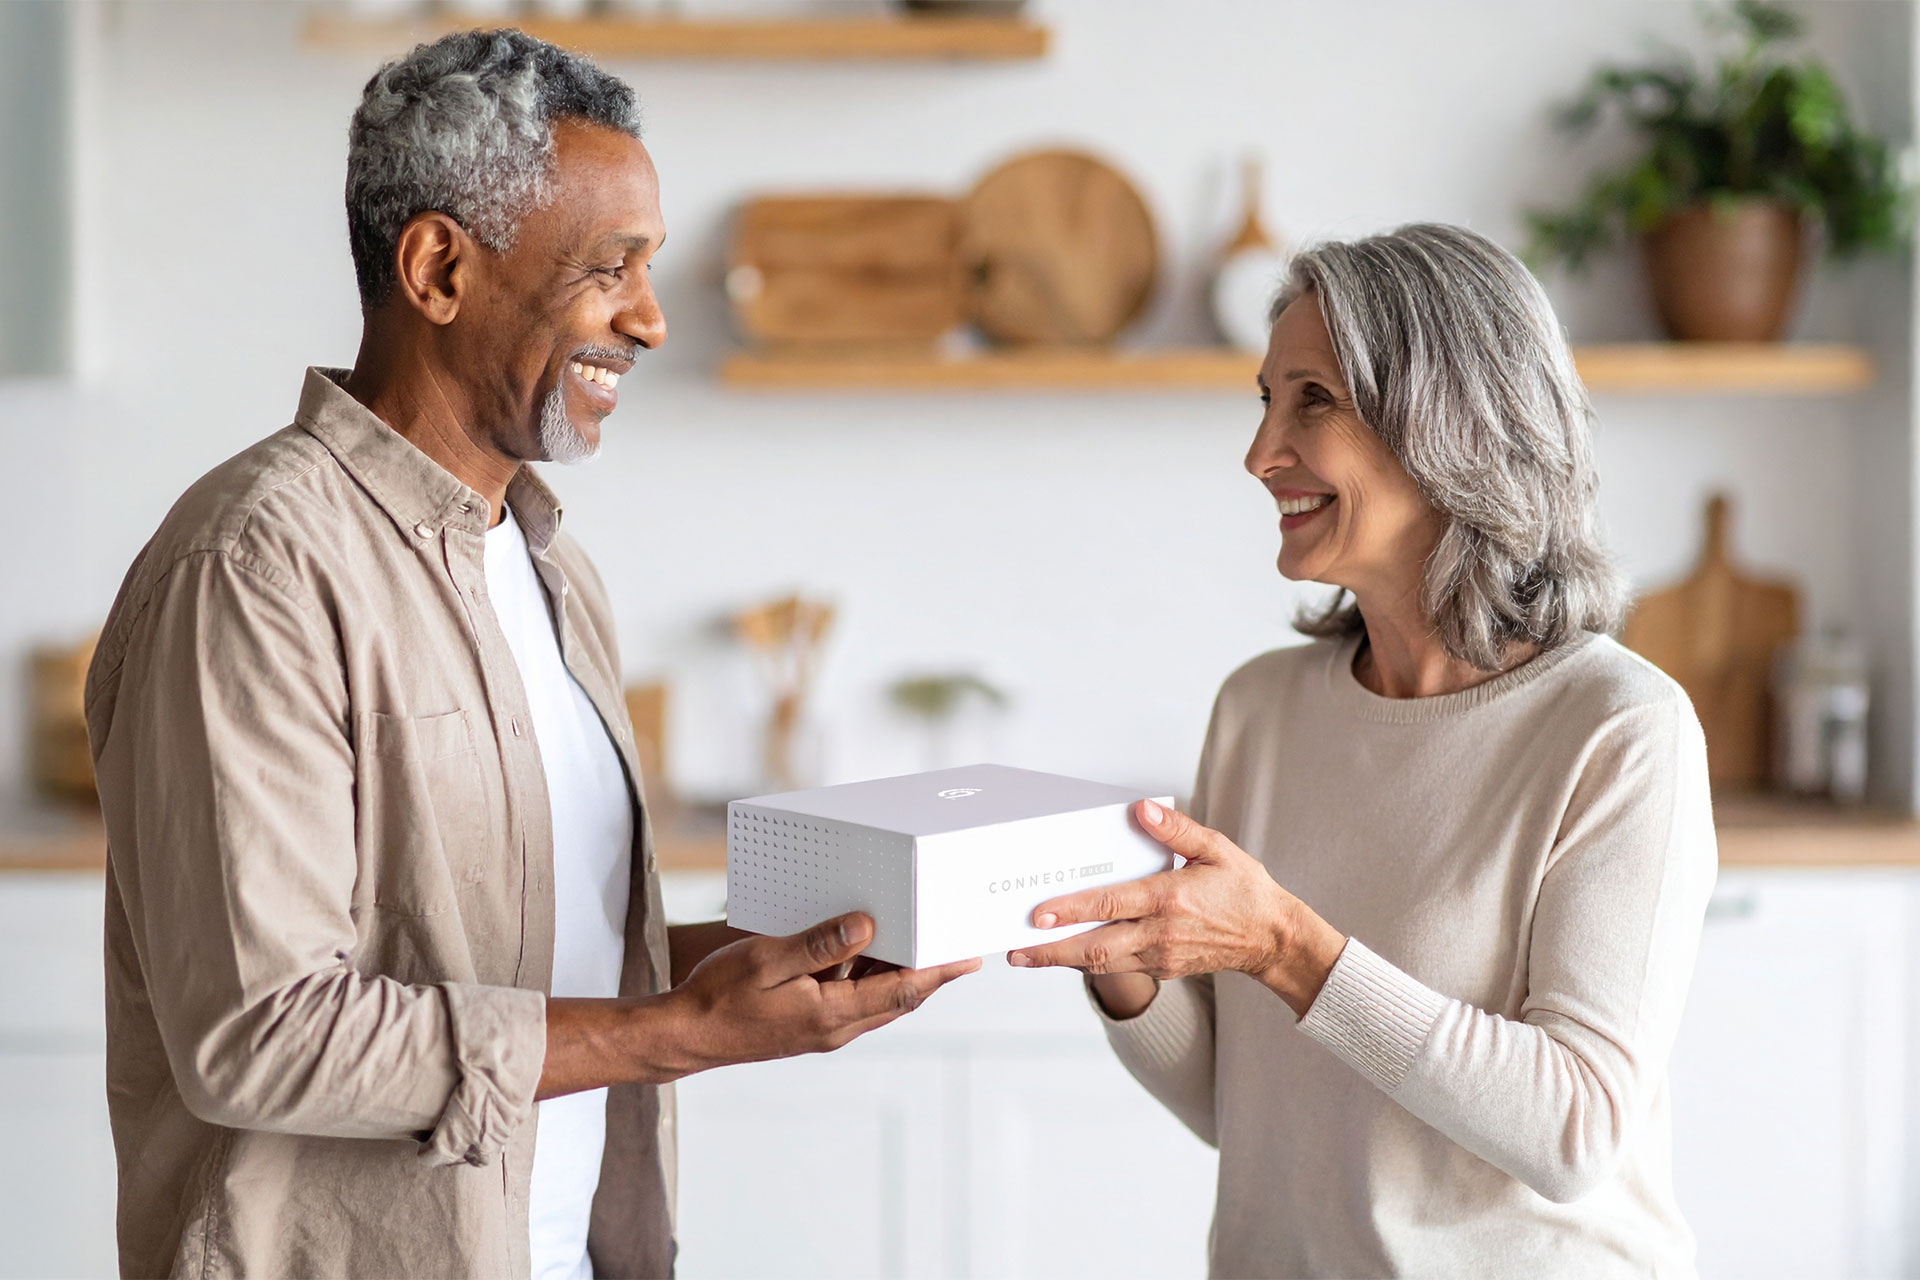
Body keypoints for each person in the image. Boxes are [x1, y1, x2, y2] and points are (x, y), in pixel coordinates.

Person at [85, 30, 976, 1280]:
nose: (653, 320)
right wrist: (675, 1030)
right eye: (610, 266)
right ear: (439, 266)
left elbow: (533, 950)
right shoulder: (255, 565)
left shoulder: (551, 563)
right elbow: (262, 1031)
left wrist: (779, 968)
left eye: (649, 266)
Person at [1008, 224, 1717, 1278]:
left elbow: (1576, 1128)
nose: (1260, 455)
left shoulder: (1616, 728)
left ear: (1452, 425)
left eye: (1313, 400)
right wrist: (1128, 967)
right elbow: (1245, 1109)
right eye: (1264, 399)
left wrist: (1284, 945)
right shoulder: (1261, 709)